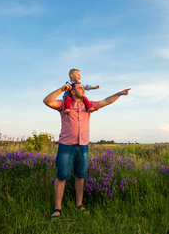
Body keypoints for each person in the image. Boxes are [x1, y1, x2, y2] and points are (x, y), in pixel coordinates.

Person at [43, 82, 130, 219]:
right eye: (79, 87)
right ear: (72, 91)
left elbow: (106, 101)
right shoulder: (63, 104)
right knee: (62, 176)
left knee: (80, 176)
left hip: (83, 146)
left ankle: (79, 205)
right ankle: (57, 208)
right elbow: (47, 101)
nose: (83, 89)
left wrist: (119, 94)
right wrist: (61, 89)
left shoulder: (88, 105)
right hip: (66, 146)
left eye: (83, 87)